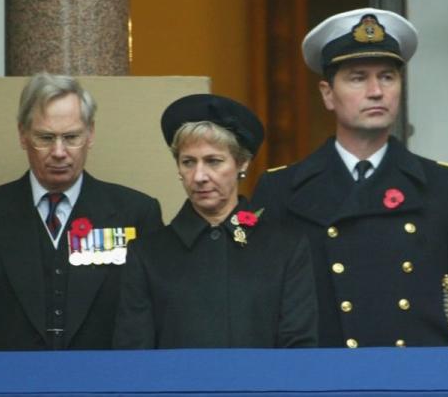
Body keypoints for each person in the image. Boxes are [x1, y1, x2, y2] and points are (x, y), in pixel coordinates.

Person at [251, 8, 448, 348]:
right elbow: (261, 314)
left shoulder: (444, 186)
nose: (376, 91)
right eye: (357, 77)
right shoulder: (281, 190)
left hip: (419, 385)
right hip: (322, 387)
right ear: (327, 94)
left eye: (387, 77)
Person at [0, 72, 163, 351]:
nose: (59, 151)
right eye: (45, 137)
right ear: (23, 135)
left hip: (106, 387)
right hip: (4, 388)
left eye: (71, 137)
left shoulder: (136, 213)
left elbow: (150, 323)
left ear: (90, 134)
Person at [113, 94, 317, 348]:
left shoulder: (285, 249)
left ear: (242, 163)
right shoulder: (148, 254)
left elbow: (298, 348)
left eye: (213, 161)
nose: (199, 176)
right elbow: (134, 353)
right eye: (188, 162)